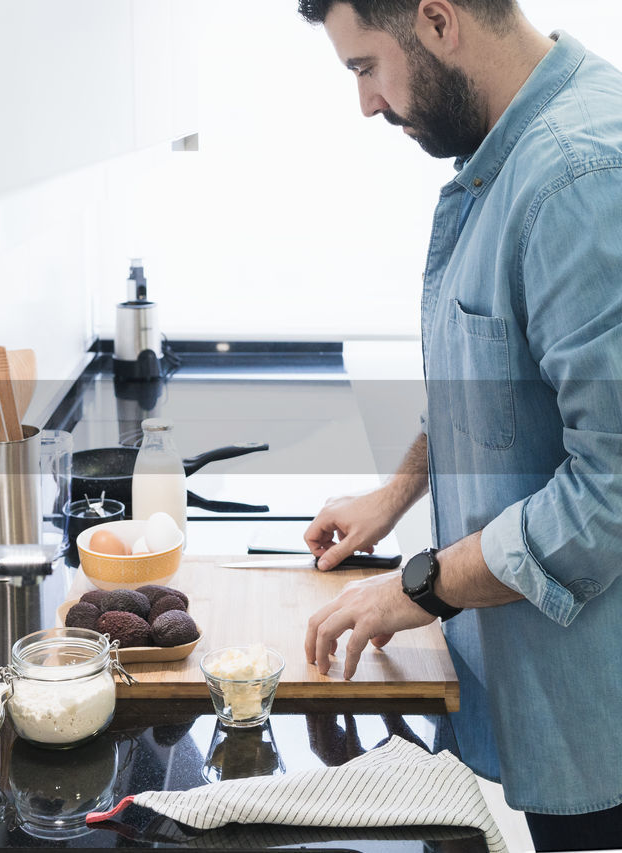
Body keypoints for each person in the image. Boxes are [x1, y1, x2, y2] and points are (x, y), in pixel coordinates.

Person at [294, 1, 622, 849]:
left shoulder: (576, 179)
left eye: (366, 67)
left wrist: (420, 585)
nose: (367, 103)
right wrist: (400, 492)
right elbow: (503, 376)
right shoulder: (510, 152)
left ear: (437, 21)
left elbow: (608, 494)